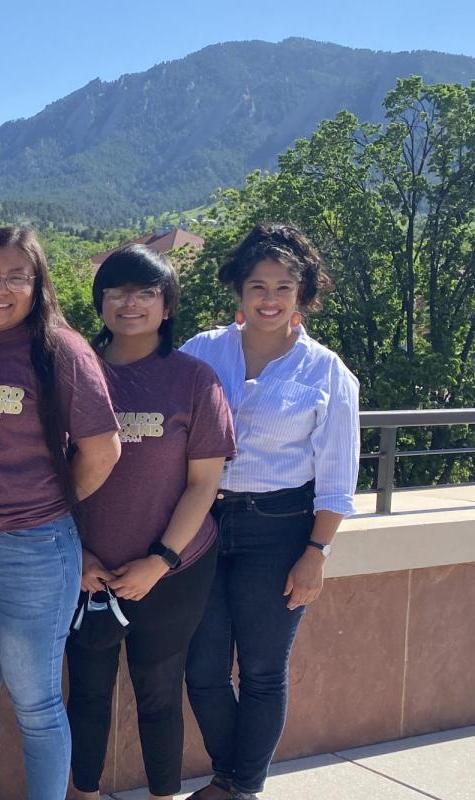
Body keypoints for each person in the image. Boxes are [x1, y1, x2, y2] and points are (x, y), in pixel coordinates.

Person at [0, 226, 121, 800]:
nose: (1, 288)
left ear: (38, 286)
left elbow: (103, 448)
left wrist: (46, 507)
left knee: (37, 700)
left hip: (34, 550)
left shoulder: (61, 349)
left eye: (18, 277)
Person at [181, 223, 360, 800]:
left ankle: (238, 785)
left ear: (303, 294)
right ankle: (232, 778)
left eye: (284, 286)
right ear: (238, 289)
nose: (269, 298)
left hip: (280, 529)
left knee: (260, 671)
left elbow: (336, 477)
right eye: (258, 284)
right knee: (202, 668)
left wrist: (317, 552)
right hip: (200, 524)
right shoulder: (201, 352)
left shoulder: (327, 372)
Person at [64, 245, 235, 800]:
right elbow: (45, 474)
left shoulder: (194, 380)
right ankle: (84, 793)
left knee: (158, 692)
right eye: (115, 291)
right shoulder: (71, 369)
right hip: (84, 567)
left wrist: (159, 562)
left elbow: (203, 484)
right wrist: (78, 555)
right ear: (100, 301)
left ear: (167, 306)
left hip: (173, 569)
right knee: (86, 693)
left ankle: (164, 794)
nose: (129, 303)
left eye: (145, 293)